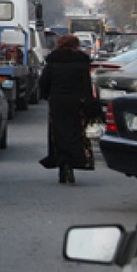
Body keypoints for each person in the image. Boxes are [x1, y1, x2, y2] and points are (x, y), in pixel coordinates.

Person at [38, 34, 95, 184]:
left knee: (58, 132)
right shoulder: (81, 62)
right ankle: (74, 161)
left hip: (57, 102)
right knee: (75, 132)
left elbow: (43, 83)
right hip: (76, 102)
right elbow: (87, 85)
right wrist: (89, 102)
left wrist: (47, 96)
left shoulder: (53, 61)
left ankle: (61, 163)